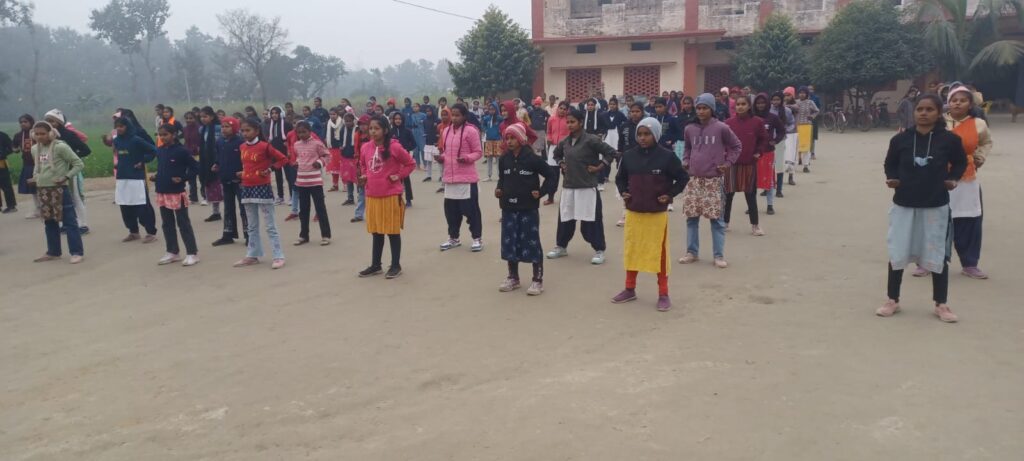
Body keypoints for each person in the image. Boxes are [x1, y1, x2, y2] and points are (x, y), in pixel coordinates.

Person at [878, 94, 967, 323]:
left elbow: (960, 162)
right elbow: (890, 163)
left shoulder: (949, 140)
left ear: (939, 113)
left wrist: (953, 179)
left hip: (935, 204)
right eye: (920, 109)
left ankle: (941, 304)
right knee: (897, 250)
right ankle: (892, 300)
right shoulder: (900, 139)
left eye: (929, 109)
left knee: (937, 253)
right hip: (904, 203)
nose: (924, 113)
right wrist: (892, 178)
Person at [612, 117, 689, 311]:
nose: (642, 138)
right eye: (639, 134)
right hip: (634, 212)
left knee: (660, 254)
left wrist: (669, 195)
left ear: (656, 134)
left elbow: (682, 177)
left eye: (647, 134)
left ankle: (663, 293)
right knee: (632, 251)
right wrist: (624, 192)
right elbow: (620, 178)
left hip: (656, 215)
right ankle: (629, 289)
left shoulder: (667, 157)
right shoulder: (628, 156)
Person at [917, 86, 991, 280]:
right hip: (935, 177)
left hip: (966, 179)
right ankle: (926, 262)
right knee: (932, 219)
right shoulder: (936, 121)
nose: (958, 103)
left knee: (968, 220)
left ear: (970, 104)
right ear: (947, 103)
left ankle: (970, 263)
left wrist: (979, 157)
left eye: (963, 100)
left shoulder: (979, 124)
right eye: (954, 99)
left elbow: (985, 142)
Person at [547, 109, 617, 265]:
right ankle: (561, 247)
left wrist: (599, 167)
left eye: (572, 122)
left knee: (592, 220)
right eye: (568, 122)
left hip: (587, 187)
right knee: (565, 219)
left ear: (580, 122)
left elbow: (611, 152)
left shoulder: (591, 140)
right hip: (569, 187)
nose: (569, 125)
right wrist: (562, 164)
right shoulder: (565, 142)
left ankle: (599, 250)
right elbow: (556, 155)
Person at [680, 93, 742, 268]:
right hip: (694, 179)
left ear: (712, 109)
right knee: (692, 218)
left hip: (713, 180)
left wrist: (728, 163)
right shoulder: (689, 129)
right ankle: (692, 252)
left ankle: (718, 255)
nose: (701, 111)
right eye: (698, 108)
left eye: (704, 108)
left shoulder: (721, 128)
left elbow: (736, 146)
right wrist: (686, 160)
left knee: (717, 219)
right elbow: (687, 147)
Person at [495, 123, 556, 295]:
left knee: (531, 242)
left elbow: (551, 175)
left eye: (513, 138)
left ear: (521, 139)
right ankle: (513, 277)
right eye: (507, 138)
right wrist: (499, 190)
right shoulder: (504, 159)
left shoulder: (532, 159)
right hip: (508, 208)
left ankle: (537, 279)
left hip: (528, 208)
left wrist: (541, 192)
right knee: (510, 243)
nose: (509, 141)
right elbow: (502, 179)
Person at [357, 115, 416, 279]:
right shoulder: (365, 147)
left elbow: (410, 163)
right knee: (376, 232)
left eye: (376, 128)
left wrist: (399, 175)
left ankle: (396, 265)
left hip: (390, 194)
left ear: (385, 130)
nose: (373, 132)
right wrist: (364, 176)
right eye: (370, 128)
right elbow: (363, 165)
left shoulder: (394, 147)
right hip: (372, 195)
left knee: (392, 231)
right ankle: (376, 265)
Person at [234, 119, 289, 270]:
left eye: (248, 130)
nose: (245, 133)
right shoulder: (242, 147)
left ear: (257, 131)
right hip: (247, 187)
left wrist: (270, 169)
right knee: (251, 225)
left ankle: (278, 256)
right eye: (242, 131)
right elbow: (248, 165)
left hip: (262, 188)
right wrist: (243, 173)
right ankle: (252, 254)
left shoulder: (265, 146)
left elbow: (283, 159)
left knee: (270, 225)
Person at [28, 121, 85, 264]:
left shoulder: (61, 147)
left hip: (60, 189)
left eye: (43, 133)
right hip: (43, 190)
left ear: (51, 133)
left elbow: (78, 164)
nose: (39, 137)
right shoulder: (35, 149)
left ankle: (76, 252)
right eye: (37, 134)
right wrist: (35, 178)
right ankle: (53, 252)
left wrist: (66, 177)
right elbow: (38, 166)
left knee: (69, 222)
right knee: (49, 222)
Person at [437, 104, 485, 252]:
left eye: (457, 115)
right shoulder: (446, 131)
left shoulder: (471, 131)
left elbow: (478, 152)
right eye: (453, 115)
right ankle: (453, 238)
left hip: (466, 179)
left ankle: (477, 238)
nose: (454, 118)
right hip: (450, 179)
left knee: (471, 211)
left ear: (464, 116)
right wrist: (441, 157)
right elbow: (447, 152)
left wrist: (467, 158)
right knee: (451, 212)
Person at [151, 123, 200, 266]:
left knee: (183, 223)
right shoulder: (160, 150)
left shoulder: (181, 151)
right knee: (167, 223)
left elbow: (195, 167)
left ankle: (192, 253)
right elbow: (163, 168)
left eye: (165, 134)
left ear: (173, 135)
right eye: (160, 135)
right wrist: (157, 176)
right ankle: (172, 252)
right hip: (162, 191)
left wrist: (183, 178)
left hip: (177, 192)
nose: (162, 137)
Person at [723, 95, 769, 235]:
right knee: (728, 195)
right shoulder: (728, 123)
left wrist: (758, 152)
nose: (740, 107)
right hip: (731, 164)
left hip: (749, 163)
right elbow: (723, 141)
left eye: (743, 104)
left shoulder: (757, 122)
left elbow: (763, 139)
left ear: (749, 106)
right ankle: (724, 223)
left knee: (750, 196)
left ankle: (755, 225)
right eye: (738, 104)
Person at [112, 116, 160, 244]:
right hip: (122, 178)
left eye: (121, 126)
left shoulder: (136, 140)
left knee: (142, 205)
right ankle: (133, 231)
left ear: (127, 127)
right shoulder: (116, 140)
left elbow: (153, 150)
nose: (119, 129)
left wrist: (142, 161)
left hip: (136, 178)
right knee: (125, 205)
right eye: (117, 126)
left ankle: (151, 232)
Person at [44, 109, 91, 234]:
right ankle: (65, 224)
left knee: (76, 198)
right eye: (47, 121)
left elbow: (86, 150)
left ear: (59, 122)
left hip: (70, 172)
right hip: (55, 173)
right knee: (59, 199)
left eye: (52, 121)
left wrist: (70, 158)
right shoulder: (47, 137)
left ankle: (83, 225)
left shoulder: (69, 135)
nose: (49, 123)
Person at [290, 121, 333, 246]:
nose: (301, 135)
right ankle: (303, 235)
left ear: (310, 131)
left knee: (320, 209)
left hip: (315, 181)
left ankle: (325, 235)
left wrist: (319, 163)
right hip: (301, 181)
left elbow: (327, 155)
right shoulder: (296, 145)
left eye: (304, 132)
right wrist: (297, 163)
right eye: (299, 132)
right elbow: (300, 157)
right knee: (303, 210)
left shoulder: (317, 143)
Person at [211, 117, 248, 246]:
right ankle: (228, 234)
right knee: (228, 208)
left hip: (240, 181)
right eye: (222, 126)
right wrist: (216, 164)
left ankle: (249, 235)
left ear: (235, 128)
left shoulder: (241, 142)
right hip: (225, 179)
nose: (224, 129)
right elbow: (218, 156)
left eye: (227, 126)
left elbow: (246, 160)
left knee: (244, 208)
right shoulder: (219, 141)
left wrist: (244, 172)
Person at [753, 93, 787, 215]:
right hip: (753, 154)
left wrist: (775, 140)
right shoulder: (751, 117)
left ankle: (770, 205)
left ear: (767, 103)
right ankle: (752, 206)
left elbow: (782, 130)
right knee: (752, 181)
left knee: (769, 180)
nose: (760, 105)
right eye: (758, 103)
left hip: (768, 152)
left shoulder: (773, 117)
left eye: (763, 103)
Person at [198, 107, 224, 218]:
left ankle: (228, 211)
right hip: (207, 161)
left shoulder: (219, 128)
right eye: (201, 117)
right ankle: (215, 212)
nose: (203, 119)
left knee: (221, 187)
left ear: (212, 117)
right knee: (211, 187)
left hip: (219, 159)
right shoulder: (202, 129)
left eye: (205, 116)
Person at [543, 101, 570, 205]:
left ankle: (567, 198)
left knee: (567, 174)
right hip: (554, 148)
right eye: (560, 108)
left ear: (567, 110)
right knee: (553, 175)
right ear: (557, 108)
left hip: (566, 149)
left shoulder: (569, 120)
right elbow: (548, 131)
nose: (562, 111)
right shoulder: (551, 119)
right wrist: (549, 139)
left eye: (564, 109)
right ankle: (551, 197)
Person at [265, 106, 293, 206]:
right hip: (275, 154)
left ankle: (292, 196)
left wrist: (288, 145)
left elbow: (292, 137)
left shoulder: (287, 124)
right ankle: (280, 197)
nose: (274, 115)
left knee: (289, 176)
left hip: (286, 154)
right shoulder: (270, 125)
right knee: (278, 176)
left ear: (281, 114)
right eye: (272, 113)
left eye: (276, 113)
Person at [788, 86, 819, 173]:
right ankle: (791, 166)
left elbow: (817, 110)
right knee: (794, 146)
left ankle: (806, 165)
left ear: (807, 94)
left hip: (807, 126)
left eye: (803, 93)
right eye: (800, 93)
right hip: (796, 126)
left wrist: (812, 116)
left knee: (806, 146)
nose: (801, 94)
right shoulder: (796, 102)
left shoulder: (810, 102)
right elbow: (790, 108)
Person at [13, 115, 39, 218]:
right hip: (28, 164)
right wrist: (15, 149)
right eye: (21, 122)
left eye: (25, 121)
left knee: (43, 186)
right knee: (33, 189)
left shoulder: (38, 133)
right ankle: (38, 209)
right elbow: (15, 148)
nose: (23, 124)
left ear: (31, 122)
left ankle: (47, 208)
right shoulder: (18, 135)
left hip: (40, 164)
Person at [390, 112, 416, 207]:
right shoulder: (390, 131)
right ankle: (397, 199)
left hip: (405, 159)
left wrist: (405, 149)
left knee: (406, 178)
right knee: (396, 179)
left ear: (403, 120)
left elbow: (414, 144)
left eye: (399, 119)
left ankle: (408, 199)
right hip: (394, 160)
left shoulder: (407, 131)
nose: (398, 121)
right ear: (393, 120)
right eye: (396, 119)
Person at [336, 113, 361, 208]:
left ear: (353, 121)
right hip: (346, 157)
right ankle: (350, 198)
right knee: (349, 179)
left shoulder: (358, 130)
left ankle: (360, 198)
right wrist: (341, 147)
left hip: (356, 157)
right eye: (346, 121)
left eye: (350, 121)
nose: (348, 123)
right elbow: (340, 141)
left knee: (358, 178)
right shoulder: (343, 129)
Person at [774, 91, 798, 188]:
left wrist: (785, 130)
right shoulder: (770, 109)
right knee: (776, 159)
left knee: (790, 156)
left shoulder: (791, 107)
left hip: (790, 134)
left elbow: (792, 121)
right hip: (775, 137)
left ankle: (791, 176)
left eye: (789, 95)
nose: (787, 97)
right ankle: (774, 180)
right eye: (785, 95)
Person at [183, 111, 202, 203]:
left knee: (202, 177)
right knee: (191, 177)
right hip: (189, 155)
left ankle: (204, 196)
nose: (188, 120)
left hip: (199, 155)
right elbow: (186, 142)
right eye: (187, 118)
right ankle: (193, 197)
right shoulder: (185, 129)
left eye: (191, 118)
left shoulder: (200, 128)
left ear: (195, 118)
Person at [481, 103, 504, 182]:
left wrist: (500, 131)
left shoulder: (499, 118)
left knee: (498, 159)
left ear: (496, 109)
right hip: (489, 140)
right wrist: (485, 130)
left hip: (497, 140)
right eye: (490, 109)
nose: (491, 111)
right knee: (489, 159)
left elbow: (504, 124)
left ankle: (499, 176)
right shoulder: (486, 118)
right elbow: (483, 125)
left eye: (493, 109)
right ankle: (489, 175)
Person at [325, 108, 344, 192]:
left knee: (342, 167)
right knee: (333, 167)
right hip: (331, 147)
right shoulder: (328, 123)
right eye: (330, 114)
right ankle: (335, 185)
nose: (332, 116)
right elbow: (325, 133)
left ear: (337, 114)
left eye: (334, 114)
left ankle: (345, 185)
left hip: (340, 148)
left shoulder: (342, 122)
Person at [421, 106, 440, 182]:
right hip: (428, 142)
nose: (428, 112)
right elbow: (425, 130)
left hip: (436, 142)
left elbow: (439, 130)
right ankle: (429, 176)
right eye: (427, 111)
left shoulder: (437, 120)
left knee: (439, 160)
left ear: (432, 111)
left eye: (429, 111)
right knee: (428, 160)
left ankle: (441, 176)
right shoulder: (425, 120)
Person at [0, 129, 15, 213]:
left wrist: (2, 154)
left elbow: (11, 148)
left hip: (1, 163)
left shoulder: (2, 135)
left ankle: (11, 206)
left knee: (6, 185)